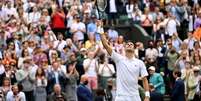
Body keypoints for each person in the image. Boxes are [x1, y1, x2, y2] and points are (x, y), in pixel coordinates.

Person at [99, 22, 150, 101]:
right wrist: (101, 28)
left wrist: (147, 96)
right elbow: (105, 45)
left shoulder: (140, 62)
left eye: (131, 44)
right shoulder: (118, 59)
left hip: (135, 96)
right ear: (124, 48)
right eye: (127, 44)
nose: (129, 45)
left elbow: (144, 80)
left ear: (134, 48)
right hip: (121, 97)